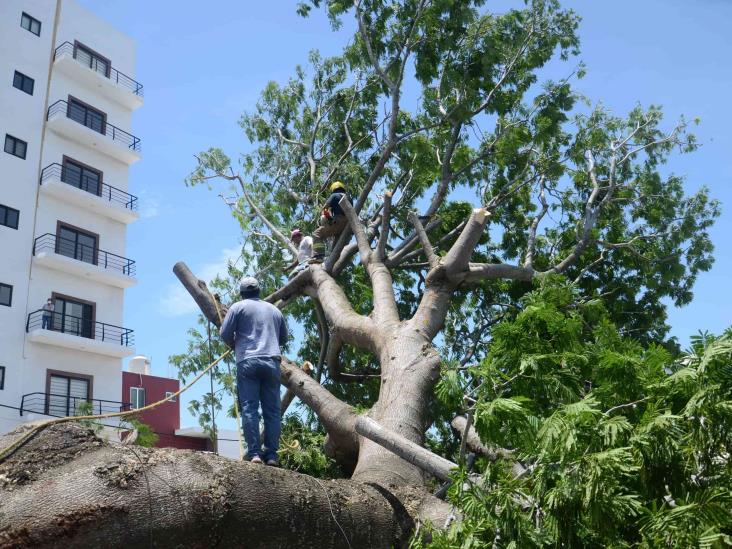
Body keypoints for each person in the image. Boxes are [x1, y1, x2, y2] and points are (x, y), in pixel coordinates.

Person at [220, 276, 288, 466]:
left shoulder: (237, 307)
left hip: (247, 361)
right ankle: (272, 455)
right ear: (259, 291)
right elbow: (283, 338)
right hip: (271, 362)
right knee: (273, 411)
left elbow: (224, 334)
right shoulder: (274, 310)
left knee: (250, 408)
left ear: (242, 293)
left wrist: (236, 345)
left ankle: (255, 454)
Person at [312, 181, 348, 260]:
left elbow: (325, 210)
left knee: (316, 234)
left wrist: (328, 219)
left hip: (338, 222)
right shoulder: (349, 198)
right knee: (334, 250)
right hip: (347, 226)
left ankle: (318, 256)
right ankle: (334, 260)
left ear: (333, 189)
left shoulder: (334, 195)